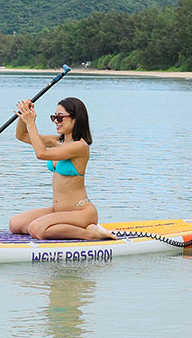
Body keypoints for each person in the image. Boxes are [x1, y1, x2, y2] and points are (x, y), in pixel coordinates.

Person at [8, 96, 115, 241]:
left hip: (80, 212)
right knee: (15, 224)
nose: (56, 122)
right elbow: (21, 135)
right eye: (54, 117)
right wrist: (24, 114)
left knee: (36, 229)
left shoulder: (80, 146)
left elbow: (41, 153)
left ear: (76, 118)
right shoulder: (57, 141)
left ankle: (90, 233)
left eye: (60, 118)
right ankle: (63, 227)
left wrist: (31, 123)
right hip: (58, 210)